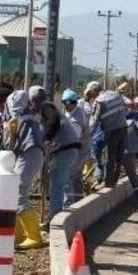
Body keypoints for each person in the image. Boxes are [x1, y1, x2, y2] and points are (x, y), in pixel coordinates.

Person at [31, 86, 81, 222]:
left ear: (35, 100)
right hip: (67, 149)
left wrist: (47, 139)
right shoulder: (43, 111)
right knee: (59, 183)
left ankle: (53, 220)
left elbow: (53, 121)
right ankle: (55, 216)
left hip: (65, 148)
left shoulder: (46, 107)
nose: (31, 106)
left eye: (31, 102)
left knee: (57, 185)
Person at [2, 90, 45, 250]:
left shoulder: (21, 119)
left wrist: (11, 133)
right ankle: (18, 235)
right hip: (30, 154)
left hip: (30, 154)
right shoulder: (26, 118)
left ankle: (34, 236)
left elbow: (10, 147)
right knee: (16, 194)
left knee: (18, 193)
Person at [89, 83, 128, 187]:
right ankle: (114, 180)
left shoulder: (99, 101)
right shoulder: (117, 95)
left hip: (111, 131)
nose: (91, 95)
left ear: (95, 91)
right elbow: (125, 110)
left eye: (91, 93)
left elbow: (94, 121)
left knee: (109, 157)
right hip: (123, 128)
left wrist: (88, 135)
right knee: (119, 156)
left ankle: (108, 182)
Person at [62, 88, 89, 203]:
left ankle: (68, 202)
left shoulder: (76, 119)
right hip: (78, 151)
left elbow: (73, 139)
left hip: (77, 152)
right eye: (64, 103)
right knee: (76, 178)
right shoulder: (70, 112)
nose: (65, 106)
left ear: (74, 103)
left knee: (68, 176)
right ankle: (78, 201)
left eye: (68, 103)